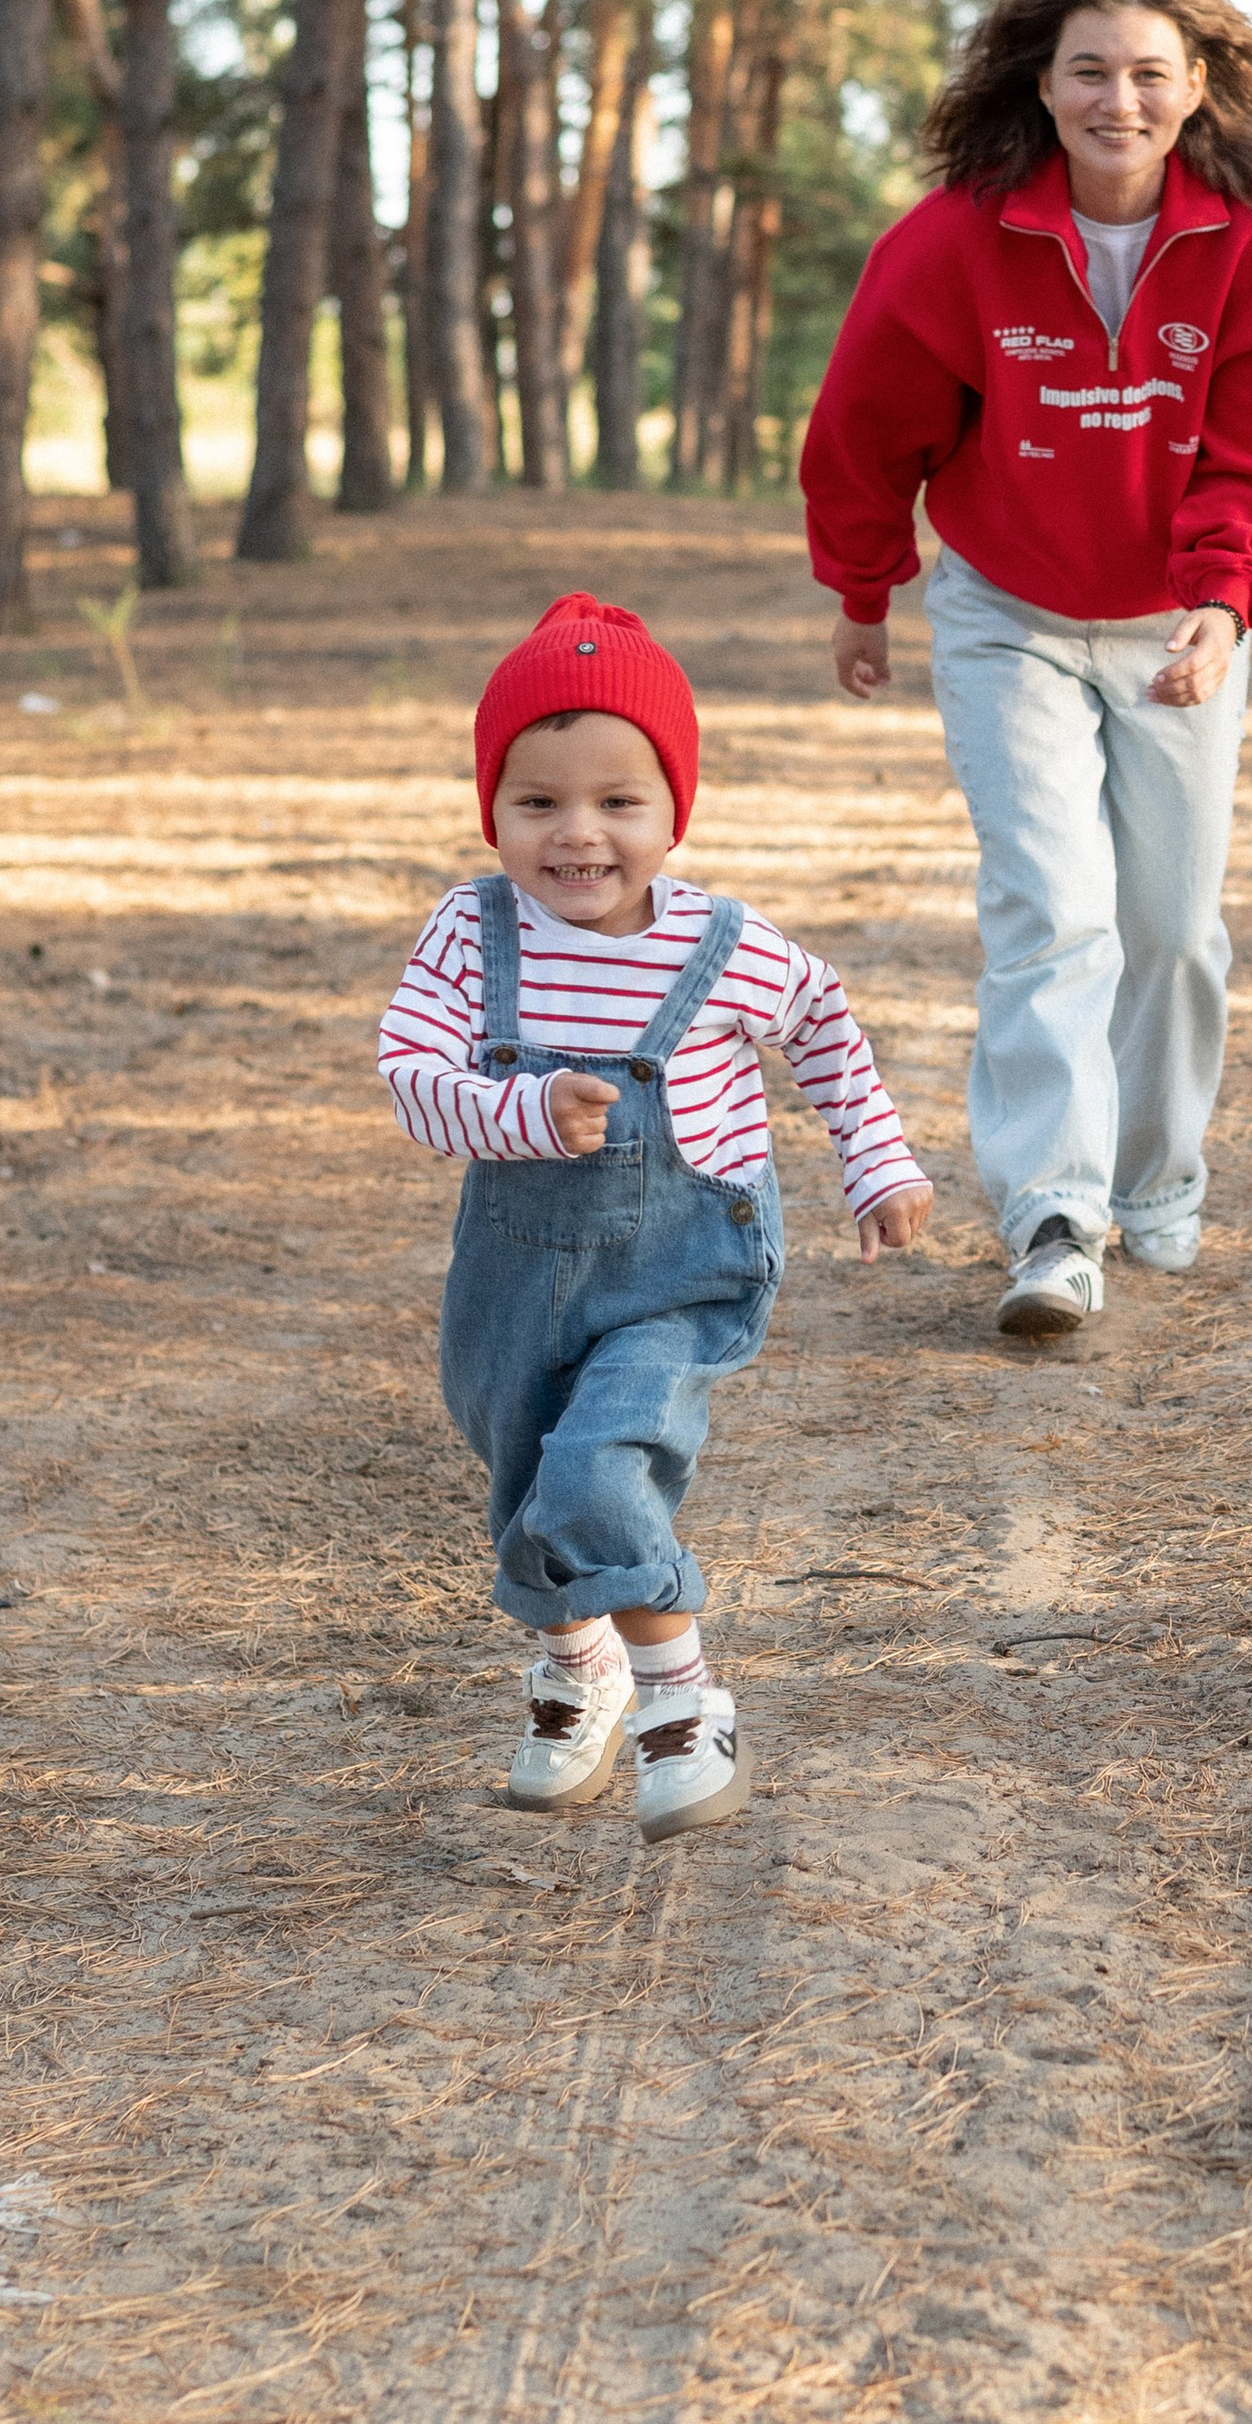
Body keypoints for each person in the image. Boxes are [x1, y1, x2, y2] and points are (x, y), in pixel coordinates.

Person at [800, 0, 1252, 1338]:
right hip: (1009, 612)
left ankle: (1155, 1180)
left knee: (1169, 927)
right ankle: (1054, 1213)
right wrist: (866, 588)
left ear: (1197, 86)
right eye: (1090, 70)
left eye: (1149, 72)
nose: (1119, 98)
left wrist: (1225, 602)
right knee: (1055, 906)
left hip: (1177, 614)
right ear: (1041, 84)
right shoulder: (953, 238)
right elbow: (869, 426)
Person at [379, 592, 932, 1827]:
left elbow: (827, 1034)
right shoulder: (470, 934)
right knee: (525, 1473)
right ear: (495, 811)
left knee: (595, 1466)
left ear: (674, 807)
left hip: (682, 1265)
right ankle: (582, 1664)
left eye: (618, 802)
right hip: (513, 1271)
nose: (579, 837)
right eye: (538, 804)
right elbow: (411, 1078)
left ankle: (685, 1700)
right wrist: (522, 1116)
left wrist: (877, 1160)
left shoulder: (728, 946)